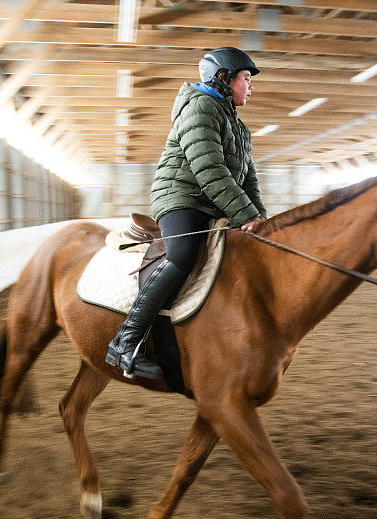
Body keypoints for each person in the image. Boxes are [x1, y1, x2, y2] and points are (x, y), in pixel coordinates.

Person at [105, 47, 268, 379]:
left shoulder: (239, 127)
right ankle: (125, 341)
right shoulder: (200, 110)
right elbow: (210, 170)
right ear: (224, 78)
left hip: (212, 202)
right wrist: (244, 213)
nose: (250, 87)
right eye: (246, 79)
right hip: (180, 198)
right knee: (182, 254)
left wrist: (259, 218)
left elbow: (248, 178)